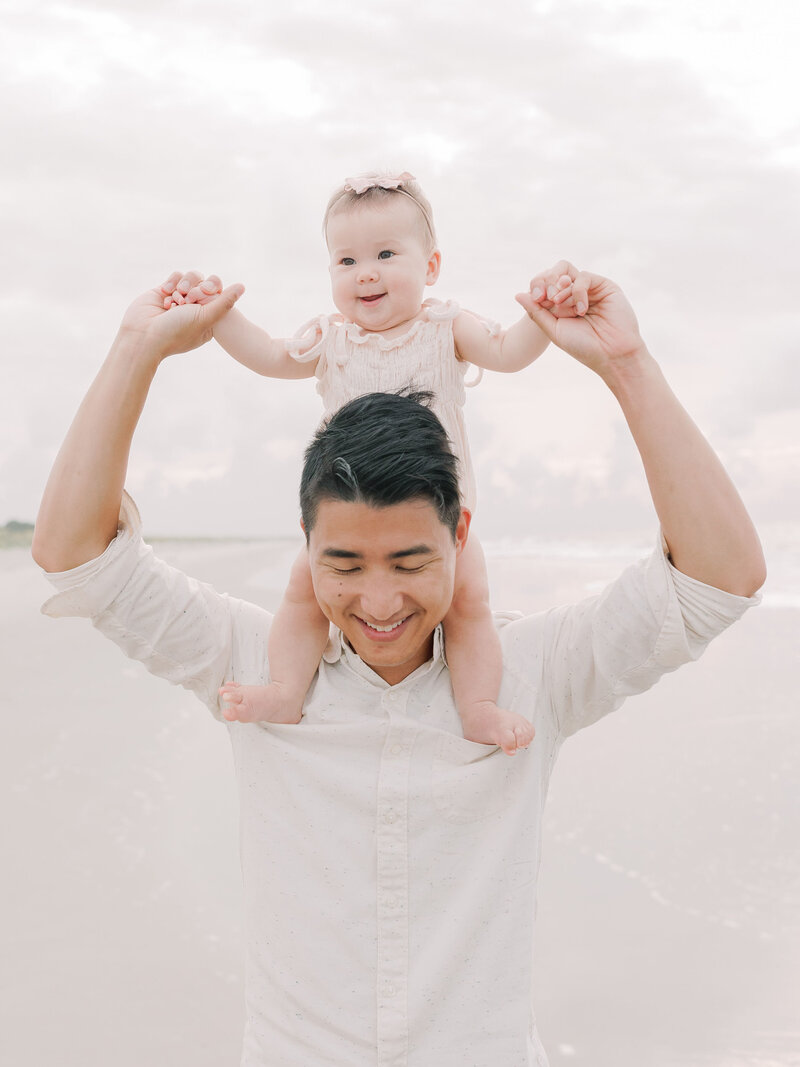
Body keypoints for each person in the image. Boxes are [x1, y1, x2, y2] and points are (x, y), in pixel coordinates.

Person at [32, 262, 765, 1067]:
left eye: (410, 561)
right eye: (343, 566)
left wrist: (627, 366)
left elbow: (718, 574)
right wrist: (137, 347)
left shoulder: (532, 673)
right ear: (305, 547)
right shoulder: (256, 668)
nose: (379, 603)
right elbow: (74, 555)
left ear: (461, 534)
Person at [175, 171, 579, 754]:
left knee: (469, 603)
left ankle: (479, 707)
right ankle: (287, 689)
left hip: (438, 516)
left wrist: (544, 316)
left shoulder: (445, 329)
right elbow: (266, 355)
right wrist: (217, 316)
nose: (366, 272)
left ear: (431, 266)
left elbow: (508, 353)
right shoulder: (332, 341)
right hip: (352, 516)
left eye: (386, 254)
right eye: (346, 260)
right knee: (301, 592)